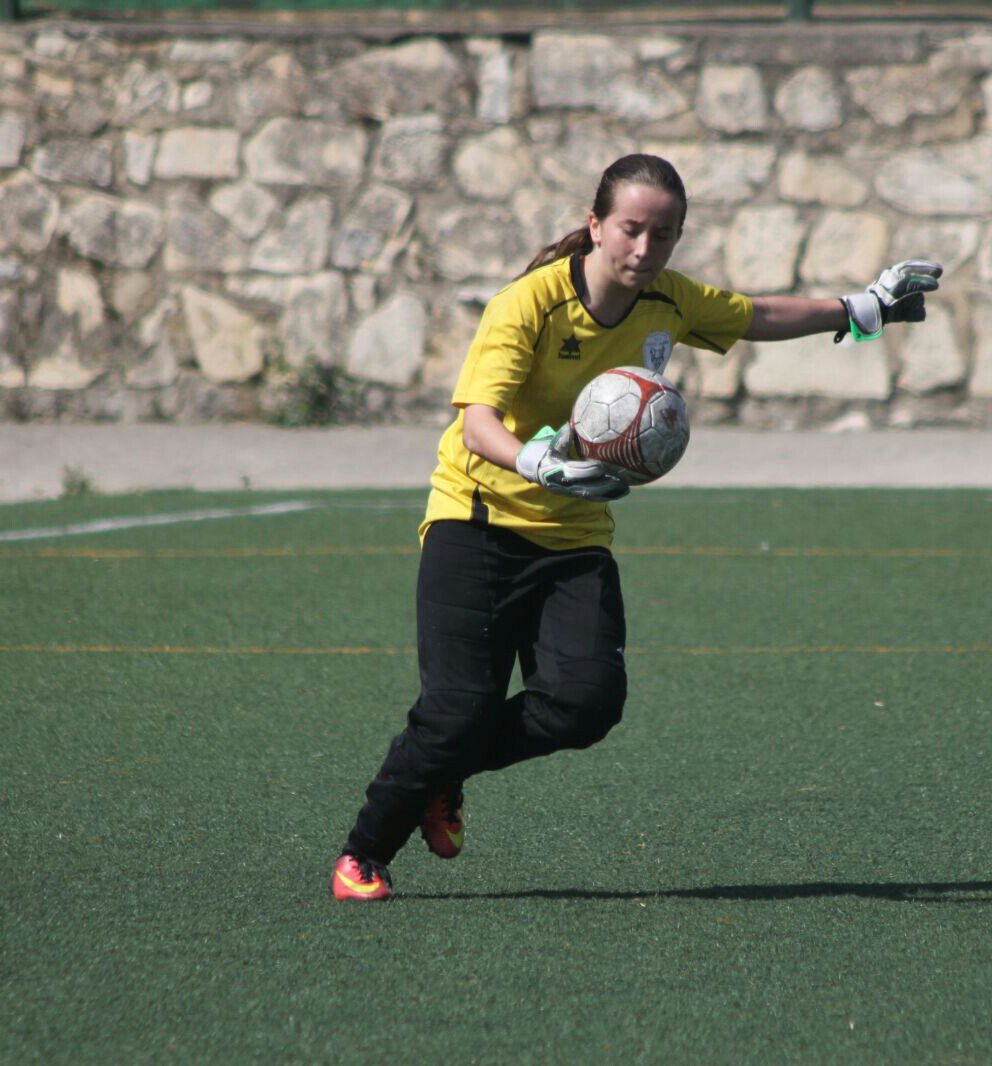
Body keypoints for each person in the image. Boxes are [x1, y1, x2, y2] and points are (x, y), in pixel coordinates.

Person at [332, 153, 942, 900]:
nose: (643, 250)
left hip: (574, 538)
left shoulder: (670, 301)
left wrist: (862, 308)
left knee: (586, 705)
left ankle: (442, 768)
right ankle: (365, 851)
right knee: (456, 710)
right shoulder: (527, 304)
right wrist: (539, 463)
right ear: (594, 226)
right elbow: (476, 425)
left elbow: (755, 315)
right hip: (477, 523)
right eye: (629, 230)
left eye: (663, 235)